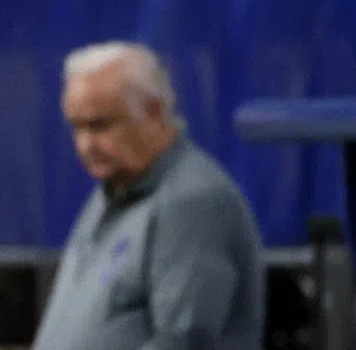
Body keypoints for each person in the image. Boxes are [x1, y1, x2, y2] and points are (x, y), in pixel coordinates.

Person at [33, 42, 264, 350]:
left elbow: (182, 342)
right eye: (76, 127)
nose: (85, 145)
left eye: (100, 125)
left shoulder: (193, 203)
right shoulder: (112, 190)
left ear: (154, 111)